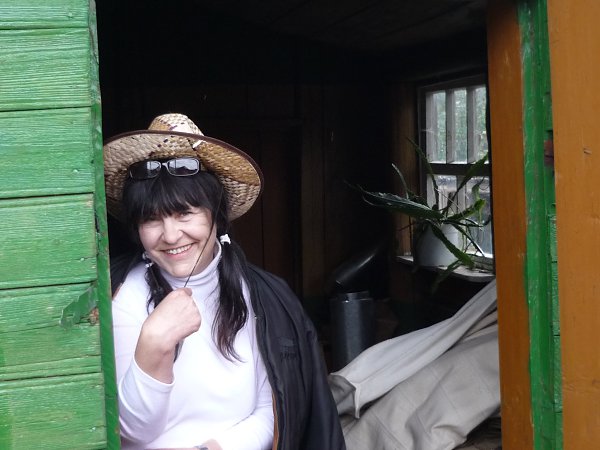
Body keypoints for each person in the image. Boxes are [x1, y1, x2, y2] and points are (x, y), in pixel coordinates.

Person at [103, 113, 346, 450]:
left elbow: (274, 411)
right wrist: (154, 344)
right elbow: (131, 432)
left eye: (184, 213)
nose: (170, 235)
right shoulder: (119, 297)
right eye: (151, 219)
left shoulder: (266, 298)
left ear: (216, 215)